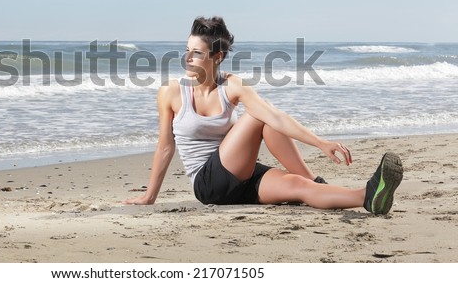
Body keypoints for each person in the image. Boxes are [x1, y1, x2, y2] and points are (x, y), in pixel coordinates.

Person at [124, 16, 403, 215]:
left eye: (196, 53)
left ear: (217, 57)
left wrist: (321, 142)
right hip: (209, 184)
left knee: (296, 186)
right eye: (187, 51)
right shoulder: (171, 92)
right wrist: (150, 196)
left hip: (240, 176)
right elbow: (165, 146)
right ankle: (314, 180)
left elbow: (277, 118)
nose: (187, 58)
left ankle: (367, 197)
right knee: (258, 116)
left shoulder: (232, 85)